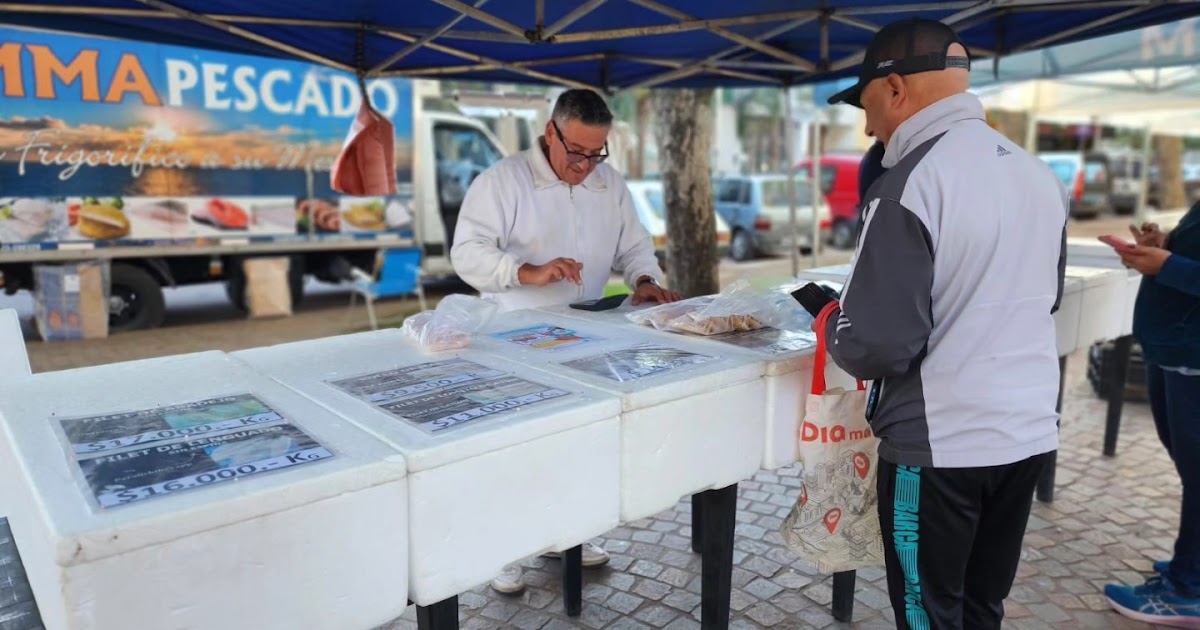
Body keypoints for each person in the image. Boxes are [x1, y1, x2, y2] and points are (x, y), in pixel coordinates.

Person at [822, 18, 1068, 630]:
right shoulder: (1039, 175)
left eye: (870, 104)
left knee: (928, 614)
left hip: (939, 449)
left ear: (896, 89)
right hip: (1027, 433)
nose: (869, 125)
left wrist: (830, 322)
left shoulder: (906, 183)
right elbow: (1047, 296)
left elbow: (879, 346)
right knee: (982, 606)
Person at [451, 88, 680, 594]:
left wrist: (644, 280)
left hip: (584, 340)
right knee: (512, 447)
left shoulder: (609, 184)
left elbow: (635, 247)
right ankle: (501, 552)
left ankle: (568, 534)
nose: (585, 165)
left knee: (578, 441)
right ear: (550, 132)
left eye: (596, 153)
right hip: (512, 339)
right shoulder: (503, 181)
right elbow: (466, 255)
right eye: (576, 151)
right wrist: (525, 271)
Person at [1104, 202, 1200, 627]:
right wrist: (1165, 249)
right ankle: (1191, 564)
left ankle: (1188, 590)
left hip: (1192, 355)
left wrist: (1169, 265)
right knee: (1191, 470)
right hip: (1177, 349)